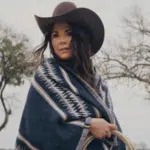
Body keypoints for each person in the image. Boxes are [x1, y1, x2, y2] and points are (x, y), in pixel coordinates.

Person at [15, 1, 126, 150]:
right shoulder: (46, 78)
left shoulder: (99, 84)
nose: (62, 41)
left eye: (68, 33)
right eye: (55, 35)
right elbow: (37, 131)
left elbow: (114, 133)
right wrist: (88, 126)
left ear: (81, 37)